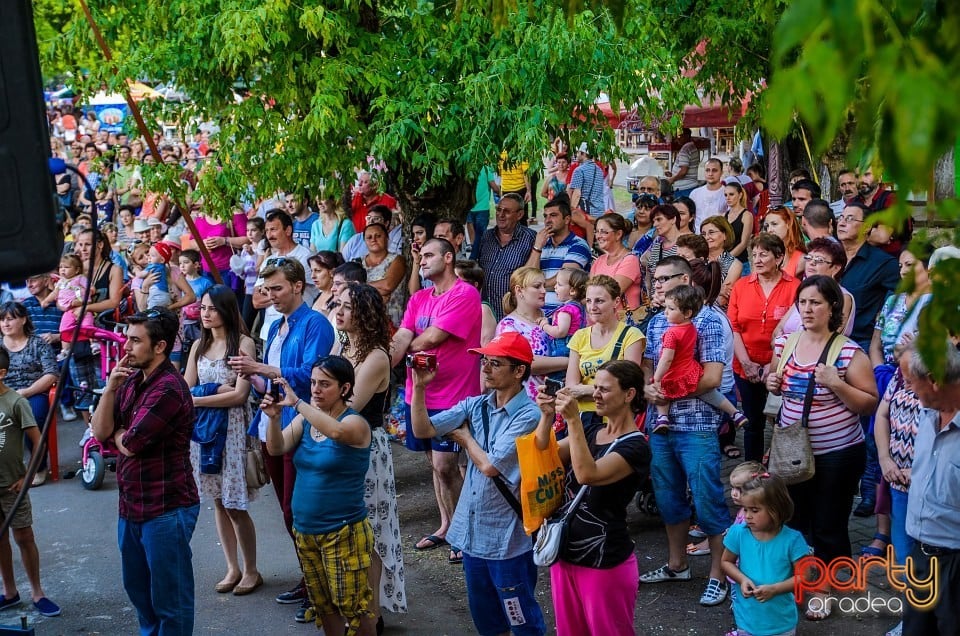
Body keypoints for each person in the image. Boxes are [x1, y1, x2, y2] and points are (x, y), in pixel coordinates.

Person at [408, 332, 547, 636]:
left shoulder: (528, 415)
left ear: (519, 371)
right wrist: (419, 388)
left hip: (507, 540)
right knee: (487, 622)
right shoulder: (476, 405)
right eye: (484, 361)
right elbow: (423, 429)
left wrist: (466, 438)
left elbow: (490, 466)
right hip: (472, 537)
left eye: (495, 363)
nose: (485, 368)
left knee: (522, 619)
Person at [765, 276, 878, 620]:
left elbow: (870, 403)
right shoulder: (785, 342)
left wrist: (837, 384)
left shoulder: (847, 351)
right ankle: (799, 578)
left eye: (816, 302)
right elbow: (778, 383)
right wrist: (772, 381)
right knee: (795, 519)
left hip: (837, 454)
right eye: (803, 302)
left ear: (833, 309)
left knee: (828, 523)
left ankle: (823, 588)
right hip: (792, 450)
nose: (808, 309)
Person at [229, 257, 334, 621]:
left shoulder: (315, 323)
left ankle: (319, 585)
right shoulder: (276, 326)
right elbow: (271, 383)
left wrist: (262, 368)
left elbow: (311, 377)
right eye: (266, 289)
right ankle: (309, 578)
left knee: (297, 512)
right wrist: (249, 373)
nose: (270, 295)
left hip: (299, 427)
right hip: (271, 423)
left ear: (298, 285)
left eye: (277, 288)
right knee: (288, 513)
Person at [90, 308, 200, 635]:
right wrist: (110, 390)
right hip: (132, 506)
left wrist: (118, 432)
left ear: (160, 346)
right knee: (139, 594)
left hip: (166, 509)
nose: (126, 346)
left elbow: (132, 443)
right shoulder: (130, 380)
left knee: (171, 602)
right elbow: (99, 432)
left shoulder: (167, 388)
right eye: (127, 338)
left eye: (136, 341)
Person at [640, 255, 734, 607]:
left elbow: (711, 378)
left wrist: (664, 389)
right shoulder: (656, 320)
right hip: (661, 423)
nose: (657, 287)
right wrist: (649, 387)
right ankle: (677, 564)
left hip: (697, 423)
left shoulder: (709, 320)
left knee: (707, 498)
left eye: (664, 280)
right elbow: (649, 365)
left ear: (685, 279)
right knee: (667, 497)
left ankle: (718, 573)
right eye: (655, 281)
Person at [261, 357, 377, 636]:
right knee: (324, 607)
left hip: (343, 532)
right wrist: (275, 419)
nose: (315, 389)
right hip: (306, 532)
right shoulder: (305, 419)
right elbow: (276, 449)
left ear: (344, 388)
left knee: (354, 610)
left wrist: (297, 402)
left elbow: (336, 431)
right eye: (313, 383)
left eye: (324, 384)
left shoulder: (356, 423)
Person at [534, 360, 650, 635]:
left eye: (604, 389)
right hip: (564, 553)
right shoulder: (590, 430)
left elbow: (588, 474)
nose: (594, 394)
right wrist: (547, 416)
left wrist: (573, 419)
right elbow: (542, 452)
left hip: (604, 560)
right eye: (594, 387)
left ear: (629, 394)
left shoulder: (636, 447)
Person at [390, 238, 478, 553]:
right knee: (434, 464)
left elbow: (432, 337)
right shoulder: (419, 298)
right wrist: (386, 356)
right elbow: (403, 334)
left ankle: (463, 532)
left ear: (449, 257)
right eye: (421, 256)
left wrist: (407, 344)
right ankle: (447, 525)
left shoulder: (465, 294)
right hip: (419, 393)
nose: (422, 261)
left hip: (452, 396)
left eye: (429, 255)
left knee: (445, 465)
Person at [334, 283, 407, 627]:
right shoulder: (345, 342)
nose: (339, 310)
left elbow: (348, 406)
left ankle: (371, 615)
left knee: (370, 532)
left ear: (363, 313)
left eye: (347, 306)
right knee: (347, 531)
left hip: (366, 448)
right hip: (340, 442)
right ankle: (355, 609)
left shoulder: (377, 356)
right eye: (338, 304)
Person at [184, 286, 262, 597]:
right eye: (203, 308)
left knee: (235, 503)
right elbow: (186, 388)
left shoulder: (242, 343)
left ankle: (251, 569)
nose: (205, 313)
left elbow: (240, 395)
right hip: (204, 431)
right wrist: (213, 393)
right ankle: (232, 566)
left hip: (231, 430)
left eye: (212, 308)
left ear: (226, 310)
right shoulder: (197, 346)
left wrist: (201, 399)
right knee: (217, 500)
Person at [899, 342, 960, 636]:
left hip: (955, 565)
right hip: (920, 555)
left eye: (913, 383)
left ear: (935, 381)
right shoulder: (928, 414)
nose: (910, 391)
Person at [727, 233, 801, 461]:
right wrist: (747, 363)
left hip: (781, 365)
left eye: (764, 254)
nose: (757, 260)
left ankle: (782, 471)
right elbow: (734, 326)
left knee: (782, 421)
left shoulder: (795, 287)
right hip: (745, 363)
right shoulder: (741, 286)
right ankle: (753, 470)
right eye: (754, 254)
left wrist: (773, 365)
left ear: (779, 258)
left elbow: (796, 329)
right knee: (752, 422)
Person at [0, 348, 60, 617]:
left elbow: (37, 442)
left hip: (13, 484)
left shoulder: (15, 402)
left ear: (1, 374)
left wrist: (26, 476)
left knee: (24, 536)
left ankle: (37, 592)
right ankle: (10, 592)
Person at [650, 285, 747, 434]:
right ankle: (735, 413)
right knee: (709, 393)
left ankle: (663, 417)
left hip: (675, 373)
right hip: (692, 370)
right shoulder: (691, 327)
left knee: (663, 392)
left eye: (671, 309)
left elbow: (666, 359)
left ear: (687, 313)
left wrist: (656, 378)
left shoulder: (671, 333)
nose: (666, 312)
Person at [721, 474, 810, 636]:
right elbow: (726, 561)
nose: (747, 516)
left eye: (754, 510)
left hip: (781, 622)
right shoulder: (738, 533)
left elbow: (805, 577)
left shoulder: (793, 540)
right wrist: (742, 579)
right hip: (747, 617)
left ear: (776, 509)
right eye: (745, 509)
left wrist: (775, 589)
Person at [565, 275, 645, 426]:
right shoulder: (580, 336)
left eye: (599, 301)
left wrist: (585, 390)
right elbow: (571, 388)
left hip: (615, 420)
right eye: (588, 301)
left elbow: (628, 386)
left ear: (616, 301)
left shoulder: (631, 335)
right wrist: (606, 390)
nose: (592, 307)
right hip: (584, 418)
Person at [0, 302, 59, 486]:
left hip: (33, 392)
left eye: (10, 319)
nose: (5, 324)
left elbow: (51, 374)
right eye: (2, 320)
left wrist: (25, 392)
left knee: (33, 418)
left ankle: (38, 467)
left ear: (23, 319)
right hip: (2, 392)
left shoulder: (38, 343)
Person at [497, 268, 570, 402]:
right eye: (537, 286)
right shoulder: (508, 326)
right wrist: (571, 362)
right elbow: (527, 363)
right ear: (519, 290)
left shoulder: (554, 317)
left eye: (543, 286)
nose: (543, 291)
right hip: (529, 403)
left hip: (560, 400)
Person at [772, 237, 856, 340]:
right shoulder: (804, 292)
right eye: (809, 258)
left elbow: (826, 338)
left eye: (819, 260)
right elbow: (778, 330)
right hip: (785, 352)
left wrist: (786, 342)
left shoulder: (843, 297)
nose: (811, 263)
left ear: (836, 268)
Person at [523, 193, 591, 316]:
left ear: (567, 220)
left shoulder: (578, 245)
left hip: (564, 316)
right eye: (545, 216)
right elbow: (527, 277)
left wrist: (534, 287)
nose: (547, 220)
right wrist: (537, 248)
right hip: (536, 314)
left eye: (553, 215)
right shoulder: (542, 244)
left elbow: (566, 281)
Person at [475, 193, 537, 319]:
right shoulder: (486, 236)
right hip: (486, 315)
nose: (501, 215)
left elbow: (534, 275)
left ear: (519, 215)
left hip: (515, 316)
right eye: (499, 210)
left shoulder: (531, 238)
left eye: (507, 211)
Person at [44, 254, 94, 362]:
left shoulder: (80, 278)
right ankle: (65, 350)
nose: (62, 270)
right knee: (64, 328)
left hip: (82, 307)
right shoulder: (60, 282)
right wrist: (46, 301)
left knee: (87, 326)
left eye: (66, 267)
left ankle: (93, 344)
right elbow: (54, 293)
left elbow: (91, 288)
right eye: (61, 267)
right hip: (68, 310)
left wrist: (88, 292)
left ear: (76, 270)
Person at [590, 213, 643, 313]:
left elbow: (612, 293)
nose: (598, 236)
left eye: (604, 232)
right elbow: (589, 292)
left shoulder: (630, 260)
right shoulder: (599, 260)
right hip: (598, 321)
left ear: (618, 234)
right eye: (596, 232)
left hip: (622, 323)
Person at [538, 269, 588, 368]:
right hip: (577, 345)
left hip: (563, 348)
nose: (555, 287)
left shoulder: (566, 310)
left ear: (572, 291)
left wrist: (544, 325)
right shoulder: (580, 308)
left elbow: (560, 332)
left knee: (557, 375)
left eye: (559, 284)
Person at [699, 215, 743, 308]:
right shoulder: (697, 259)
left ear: (725, 235)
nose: (706, 237)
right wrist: (718, 290)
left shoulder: (734, 264)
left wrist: (698, 292)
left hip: (719, 315)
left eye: (711, 232)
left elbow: (721, 300)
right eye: (703, 234)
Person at [642, 204, 683, 300]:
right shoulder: (656, 246)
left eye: (659, 219)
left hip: (677, 303)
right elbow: (649, 276)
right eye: (654, 221)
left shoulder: (685, 245)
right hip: (656, 303)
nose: (655, 224)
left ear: (673, 219)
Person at [454, 260, 497, 347]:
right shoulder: (453, 306)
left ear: (475, 284)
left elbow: (486, 349)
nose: (453, 284)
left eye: (458, 281)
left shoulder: (483, 309)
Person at [762, 206, 807, 278]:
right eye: (767, 226)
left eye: (774, 224)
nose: (769, 230)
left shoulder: (801, 259)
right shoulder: (762, 254)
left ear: (788, 224)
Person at [466, 165, 499, 259]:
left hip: (469, 207)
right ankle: (475, 258)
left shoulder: (468, 168)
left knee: (474, 236)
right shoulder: (486, 169)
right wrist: (500, 192)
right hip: (482, 208)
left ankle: (474, 254)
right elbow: (493, 186)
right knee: (480, 235)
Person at [722, 182, 753, 274]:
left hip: (741, 262)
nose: (728, 198)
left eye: (731, 194)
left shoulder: (747, 215)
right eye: (725, 195)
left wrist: (726, 259)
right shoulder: (724, 215)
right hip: (725, 264)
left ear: (740, 195)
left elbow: (743, 243)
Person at [689, 158, 727, 231]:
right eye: (707, 170)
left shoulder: (727, 193)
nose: (710, 174)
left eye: (714, 170)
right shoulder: (695, 193)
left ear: (721, 172)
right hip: (697, 237)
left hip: (718, 237)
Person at [308, 251, 345, 323]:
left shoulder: (340, 298)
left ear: (332, 272)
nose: (312, 276)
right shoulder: (318, 295)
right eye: (311, 271)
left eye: (318, 271)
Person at [665, 128, 701, 198]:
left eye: (680, 136)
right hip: (690, 185)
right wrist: (673, 175)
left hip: (684, 188)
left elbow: (683, 171)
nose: (677, 139)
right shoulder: (691, 146)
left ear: (686, 136)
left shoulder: (685, 149)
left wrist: (672, 179)